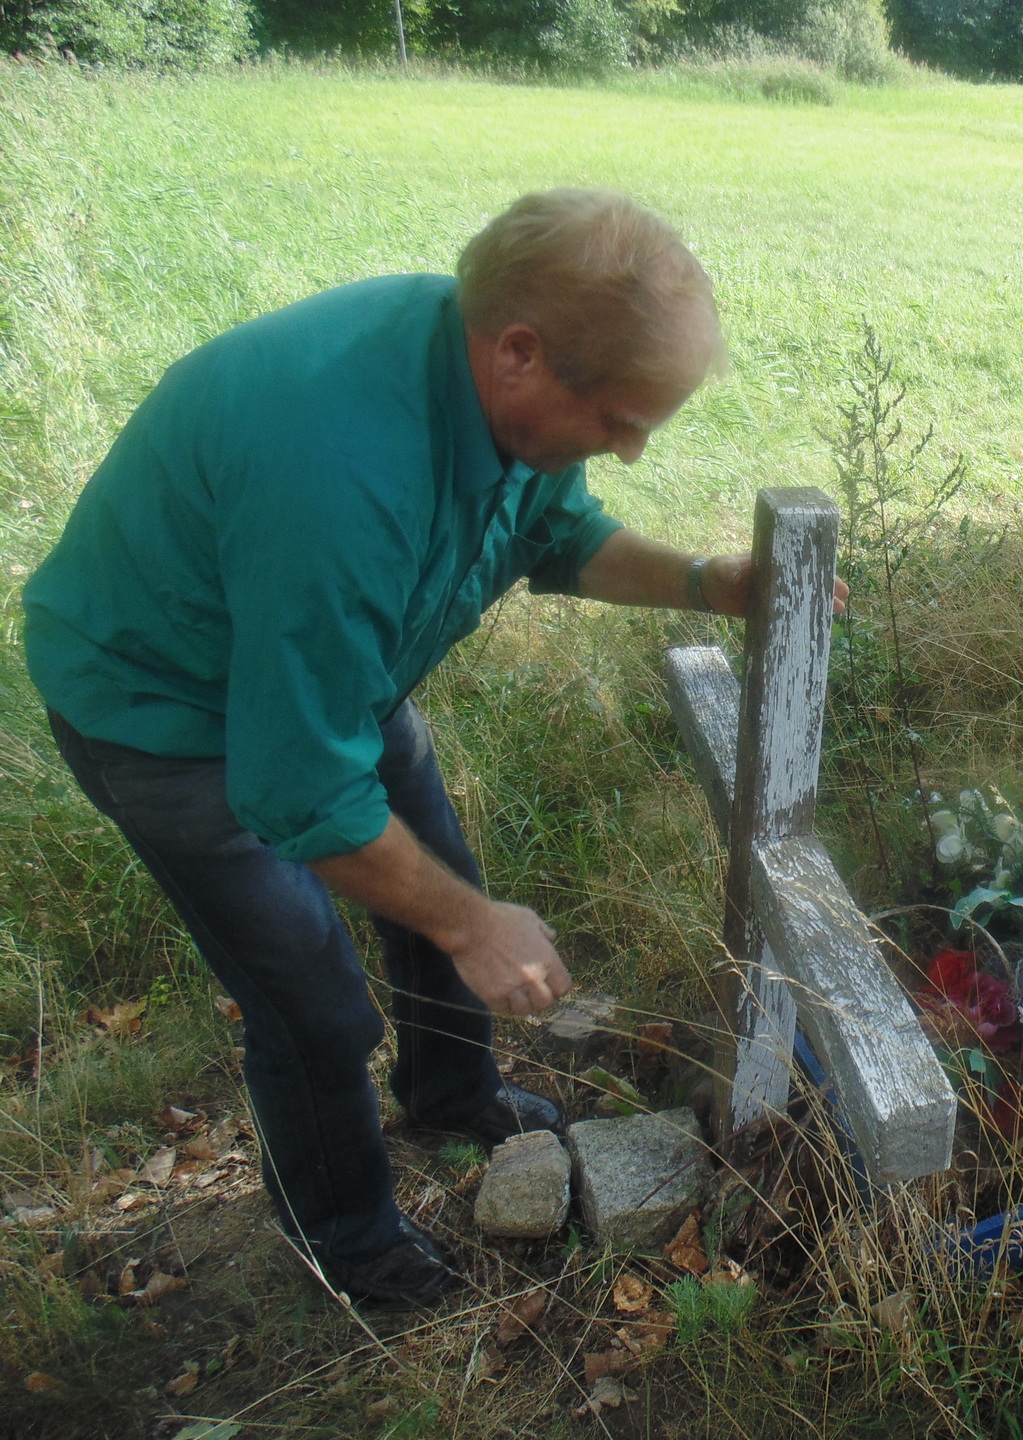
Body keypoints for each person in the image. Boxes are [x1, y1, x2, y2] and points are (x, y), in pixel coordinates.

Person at [22, 189, 829, 1309]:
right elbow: (296, 783)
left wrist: (706, 585)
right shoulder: (340, 472)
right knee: (313, 1002)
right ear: (519, 354)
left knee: (438, 864)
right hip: (166, 711)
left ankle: (452, 1092)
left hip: (332, 673)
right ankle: (348, 1240)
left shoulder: (496, 382)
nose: (635, 450)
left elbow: (556, 531)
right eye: (622, 419)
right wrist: (472, 926)